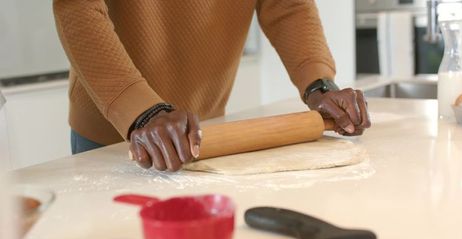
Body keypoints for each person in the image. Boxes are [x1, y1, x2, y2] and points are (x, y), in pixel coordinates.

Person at [53, 0, 371, 172]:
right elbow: (77, 9)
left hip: (204, 132)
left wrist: (318, 82)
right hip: (114, 128)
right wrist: (140, 111)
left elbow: (289, 6)